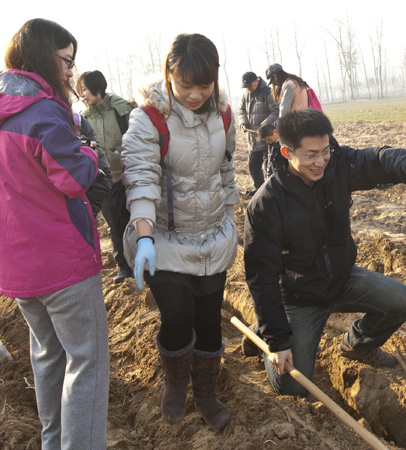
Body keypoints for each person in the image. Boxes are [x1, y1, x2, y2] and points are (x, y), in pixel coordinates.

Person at [243, 109, 406, 397]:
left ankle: (357, 344)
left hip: (340, 278)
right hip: (299, 296)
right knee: (292, 388)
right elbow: (261, 278)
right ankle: (265, 330)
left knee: (402, 301)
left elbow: (374, 160)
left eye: (325, 151)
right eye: (311, 155)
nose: (320, 161)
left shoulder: (336, 166)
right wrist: (277, 341)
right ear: (287, 153)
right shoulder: (267, 204)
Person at [121, 33, 239, 431]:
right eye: (185, 85)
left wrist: (231, 215)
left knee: (208, 322)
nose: (194, 94)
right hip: (166, 240)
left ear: (215, 79)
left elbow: (226, 167)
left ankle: (205, 392)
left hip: (212, 236)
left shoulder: (223, 113)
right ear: (169, 75)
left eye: (203, 86)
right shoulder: (149, 118)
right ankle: (175, 383)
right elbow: (140, 178)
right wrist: (144, 237)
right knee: (177, 314)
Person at [0, 18, 109, 449]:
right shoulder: (43, 112)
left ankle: (55, 443)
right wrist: (90, 153)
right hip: (62, 264)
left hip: (19, 266)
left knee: (48, 357)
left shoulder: (6, 109)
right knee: (87, 362)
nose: (70, 72)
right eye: (66, 61)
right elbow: (71, 176)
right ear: (46, 58)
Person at [77, 70, 135, 284]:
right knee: (114, 225)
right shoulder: (84, 118)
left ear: (98, 88)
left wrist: (120, 151)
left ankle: (144, 262)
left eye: (84, 89)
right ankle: (124, 266)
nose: (82, 94)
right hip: (101, 180)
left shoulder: (121, 109)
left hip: (127, 176)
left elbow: (137, 136)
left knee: (133, 219)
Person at [238, 71, 278, 194]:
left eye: (250, 85)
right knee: (253, 166)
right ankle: (259, 189)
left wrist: (265, 124)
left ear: (256, 81)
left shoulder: (268, 92)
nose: (249, 88)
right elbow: (241, 111)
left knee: (268, 167)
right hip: (252, 139)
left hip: (266, 137)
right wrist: (243, 123)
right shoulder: (245, 95)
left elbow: (276, 111)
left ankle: (269, 190)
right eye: (246, 86)